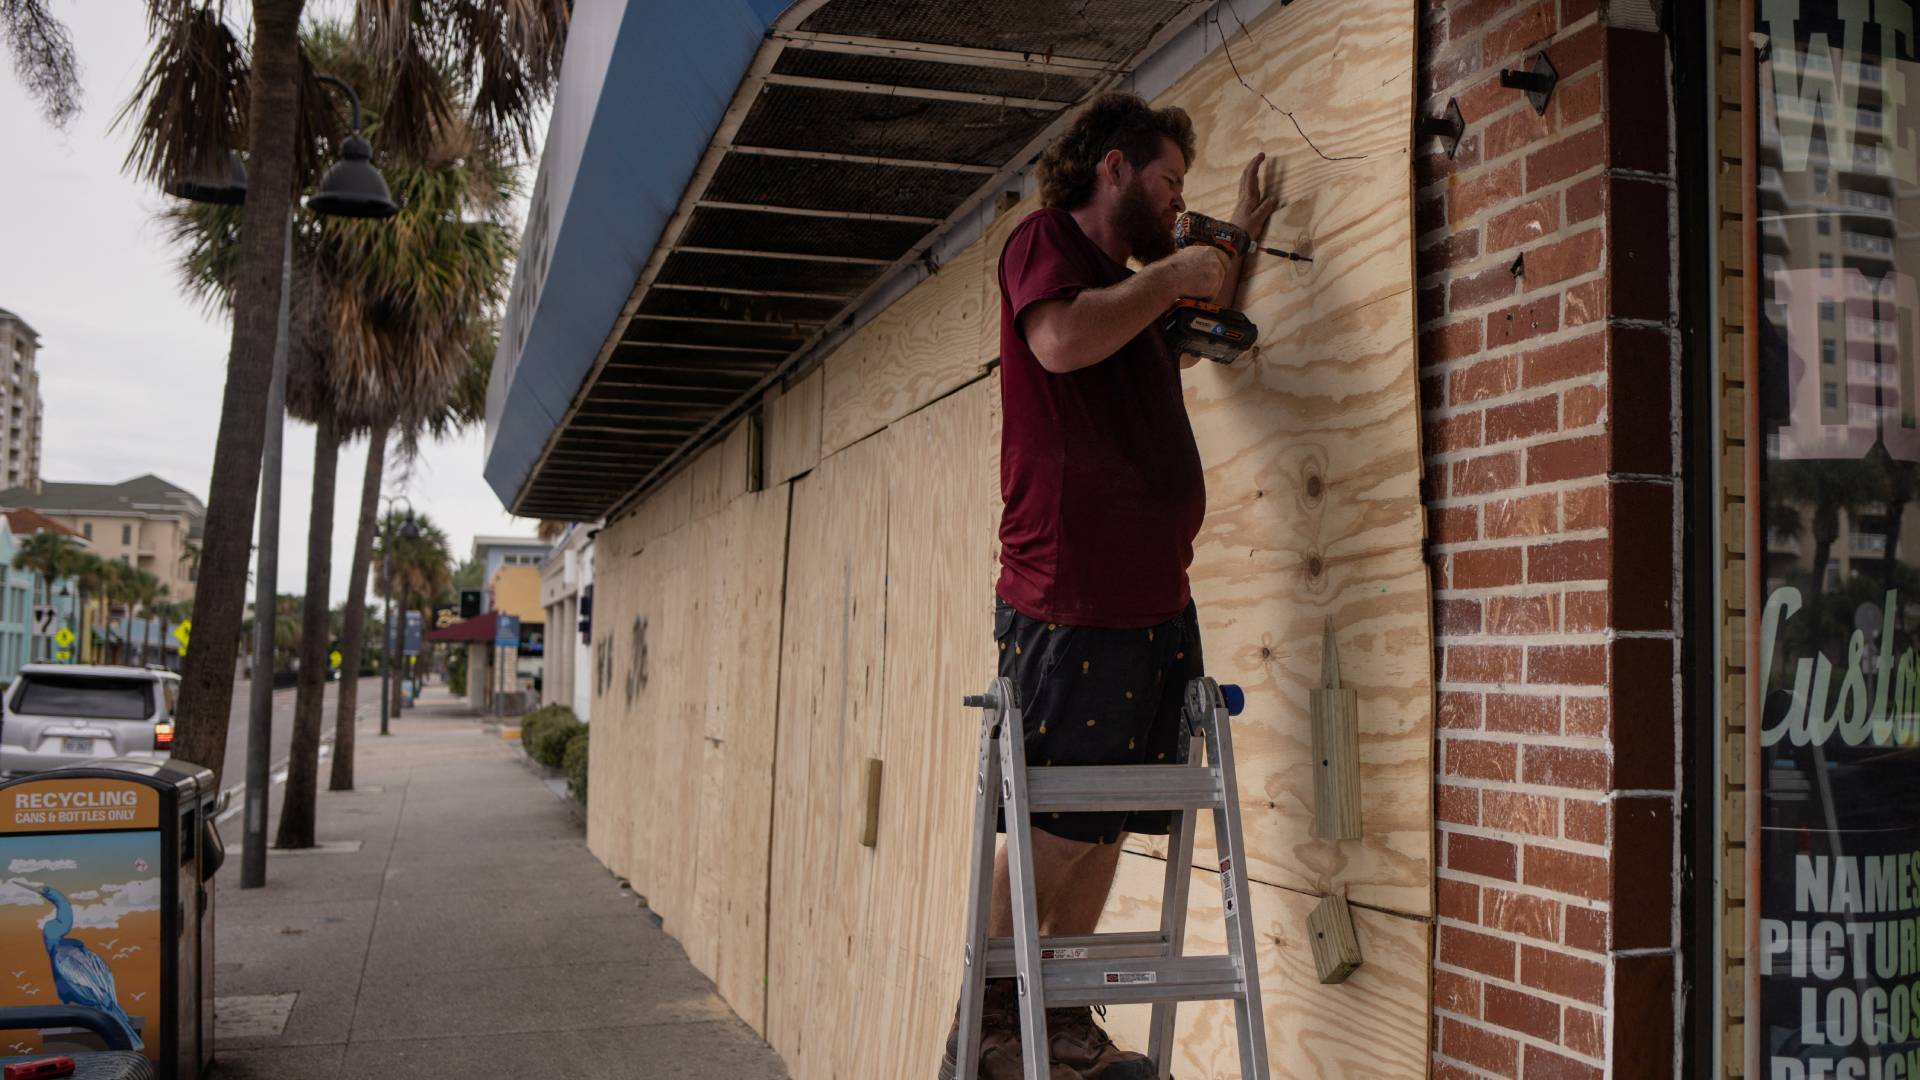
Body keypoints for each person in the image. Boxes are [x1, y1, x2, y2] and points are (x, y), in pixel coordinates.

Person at [940, 92, 1278, 1080]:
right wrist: (1176, 272)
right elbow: (1061, 341)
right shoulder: (1045, 244)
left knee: (1102, 826)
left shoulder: (1144, 298)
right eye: (1170, 181)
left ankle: (1064, 1005)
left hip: (1154, 601)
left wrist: (1237, 242)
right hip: (1071, 597)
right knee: (1052, 822)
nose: (1179, 203)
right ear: (1115, 166)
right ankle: (995, 1017)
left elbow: (1194, 314)